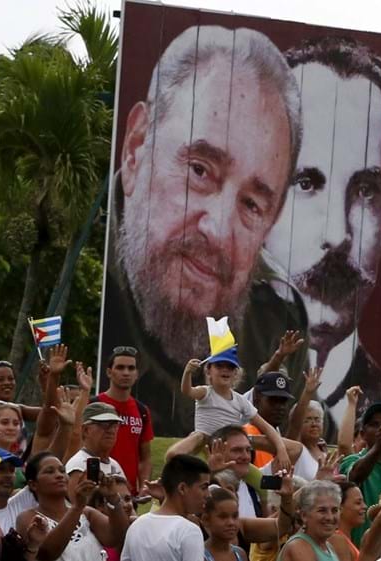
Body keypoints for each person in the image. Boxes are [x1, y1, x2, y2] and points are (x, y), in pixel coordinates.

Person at [101, 24, 302, 436]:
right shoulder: (80, 285)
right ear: (136, 149)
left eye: (252, 204)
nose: (218, 230)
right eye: (200, 170)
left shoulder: (275, 319)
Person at [240, 36, 381, 438]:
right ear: (255, 200)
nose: (337, 234)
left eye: (365, 191)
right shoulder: (217, 373)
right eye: (307, 182)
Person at [180, 347, 290, 470]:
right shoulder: (205, 392)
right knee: (174, 454)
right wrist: (188, 372)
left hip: (230, 446)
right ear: (208, 370)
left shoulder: (240, 401)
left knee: (294, 449)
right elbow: (187, 390)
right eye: (219, 365)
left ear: (236, 374)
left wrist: (281, 449)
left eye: (230, 367)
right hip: (204, 440)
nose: (225, 370)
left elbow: (266, 427)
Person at [16, 451, 129, 561]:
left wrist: (113, 498)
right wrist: (77, 507)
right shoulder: (28, 518)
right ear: (33, 484)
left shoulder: (87, 513)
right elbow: (47, 554)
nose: (59, 475)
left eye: (62, 471)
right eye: (50, 472)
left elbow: (116, 537)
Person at [121, 454, 210, 561]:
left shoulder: (137, 525)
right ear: (182, 488)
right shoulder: (189, 531)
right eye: (204, 487)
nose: (208, 494)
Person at [340, 403, 381, 545]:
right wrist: (378, 447)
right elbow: (354, 478)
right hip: (360, 550)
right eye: (375, 425)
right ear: (362, 434)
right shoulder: (351, 461)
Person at [95, 345, 153, 494]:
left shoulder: (142, 411)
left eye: (131, 368)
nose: (126, 373)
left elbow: (145, 457)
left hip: (128, 495)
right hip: (97, 493)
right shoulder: (93, 405)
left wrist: (144, 485)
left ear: (137, 374)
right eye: (120, 368)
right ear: (109, 372)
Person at [65, 401, 124, 500]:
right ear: (86, 430)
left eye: (115, 425)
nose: (111, 431)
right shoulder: (78, 465)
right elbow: (77, 507)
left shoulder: (115, 465)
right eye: (104, 425)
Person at [277, 480, 341, 561]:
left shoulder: (328, 547)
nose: (330, 517)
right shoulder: (298, 546)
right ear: (304, 515)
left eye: (334, 510)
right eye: (322, 510)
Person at [0, 448, 37, 534]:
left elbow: (45, 464)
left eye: (11, 470)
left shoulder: (19, 503)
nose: (8, 475)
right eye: (0, 469)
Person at [202, 487, 248, 561]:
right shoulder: (200, 555)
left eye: (235, 516)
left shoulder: (240, 554)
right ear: (206, 519)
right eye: (223, 517)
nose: (231, 522)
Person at [328, 482, 365, 561]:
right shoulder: (336, 539)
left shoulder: (343, 538)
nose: (364, 506)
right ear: (340, 508)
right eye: (358, 503)